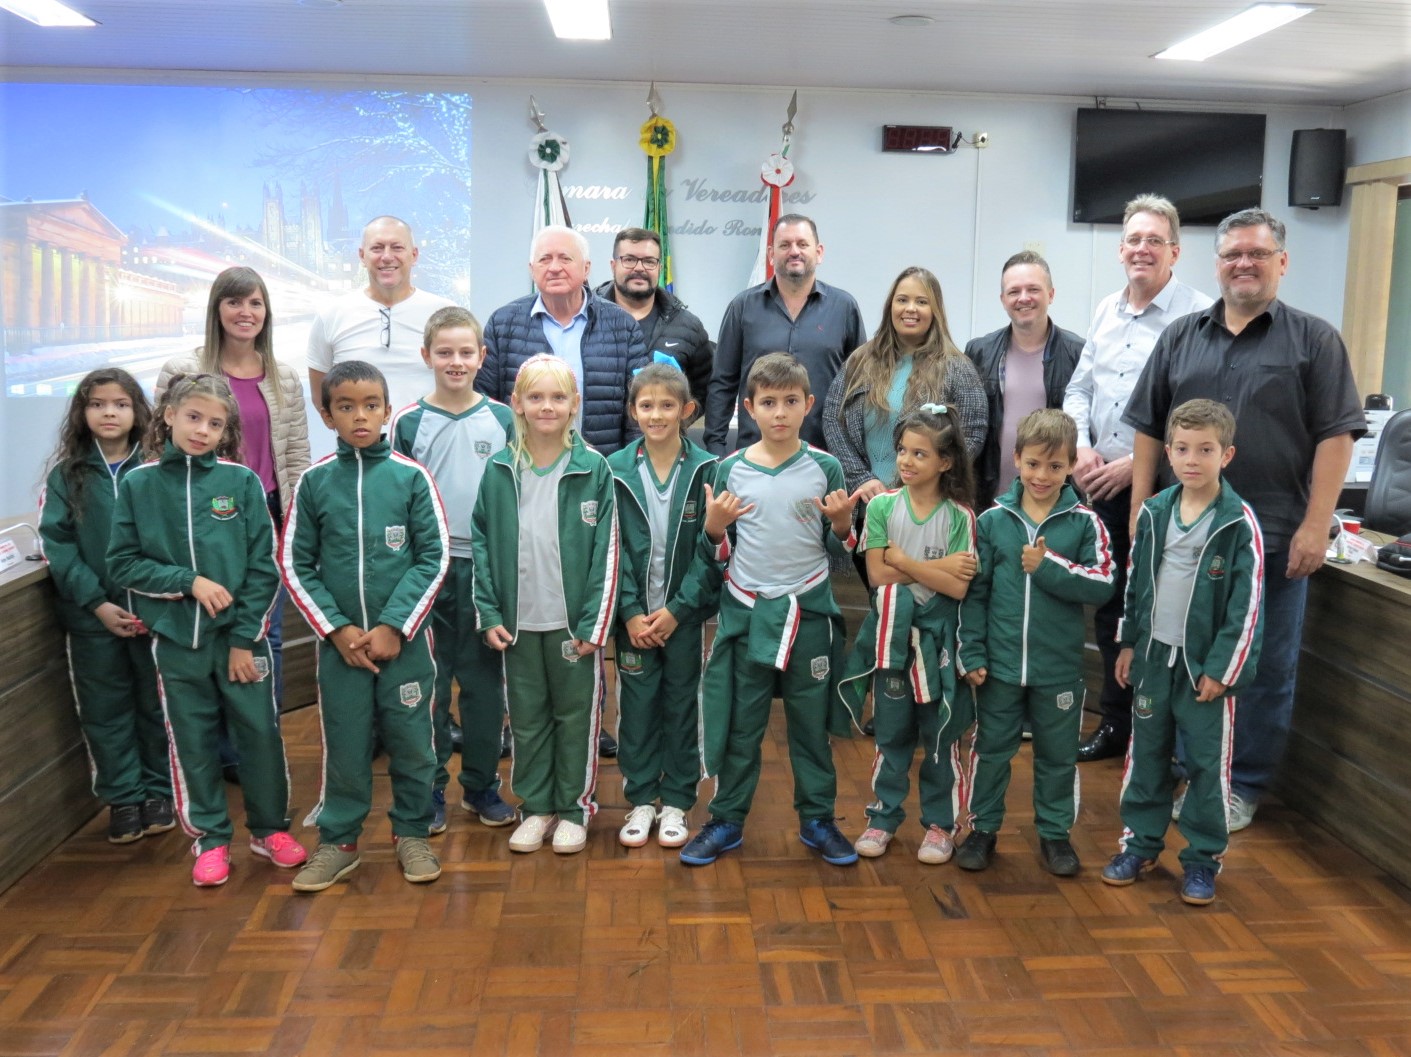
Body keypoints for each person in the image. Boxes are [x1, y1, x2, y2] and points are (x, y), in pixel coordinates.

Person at [1124, 208, 1364, 831]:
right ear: (1217, 263)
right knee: (1182, 655)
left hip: (1274, 540)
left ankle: (1241, 784)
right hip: (1184, 541)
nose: (1243, 264)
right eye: (1232, 254)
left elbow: (1337, 437)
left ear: (1281, 262)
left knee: (1261, 667)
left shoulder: (1314, 341)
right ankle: (1188, 769)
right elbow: (1150, 427)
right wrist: (1140, 511)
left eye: (1256, 254)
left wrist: (1319, 524)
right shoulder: (1181, 336)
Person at [107, 373, 305, 887]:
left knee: (260, 736)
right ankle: (211, 839)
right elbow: (123, 564)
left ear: (226, 433)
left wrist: (244, 639)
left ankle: (269, 831)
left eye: (215, 424)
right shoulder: (138, 485)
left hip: (241, 644)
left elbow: (266, 566)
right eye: (193, 417)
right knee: (192, 742)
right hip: (176, 644)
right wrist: (187, 582)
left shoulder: (240, 483)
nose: (202, 430)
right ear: (168, 415)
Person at [682, 352, 861, 867]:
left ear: (808, 404)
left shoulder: (824, 467)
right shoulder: (728, 469)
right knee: (742, 725)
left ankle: (818, 819)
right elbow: (713, 550)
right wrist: (714, 528)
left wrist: (845, 527)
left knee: (810, 726)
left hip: (807, 611)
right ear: (749, 408)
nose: (779, 413)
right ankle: (726, 819)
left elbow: (837, 551)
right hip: (748, 610)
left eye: (789, 402)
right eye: (767, 403)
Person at [282, 361, 450, 891]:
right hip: (342, 650)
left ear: (385, 410)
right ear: (327, 414)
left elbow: (434, 557)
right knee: (346, 743)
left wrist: (394, 627)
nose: (360, 416)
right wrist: (336, 630)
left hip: (404, 648)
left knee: (412, 741)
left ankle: (412, 831)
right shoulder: (314, 482)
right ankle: (339, 842)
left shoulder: (410, 476)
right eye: (346, 406)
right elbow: (294, 562)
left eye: (371, 405)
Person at [1063, 194, 1213, 764]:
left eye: (1154, 240)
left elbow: (1200, 413)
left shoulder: (1199, 315)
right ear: (1121, 249)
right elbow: (1080, 389)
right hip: (1101, 487)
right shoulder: (1106, 310)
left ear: (1174, 250)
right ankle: (1118, 724)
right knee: (1111, 609)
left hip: (1167, 491)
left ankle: (1165, 737)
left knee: (1164, 610)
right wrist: (1080, 444)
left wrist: (1140, 463)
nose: (1141, 249)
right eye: (1133, 240)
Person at [1102, 399, 1264, 905]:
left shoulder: (1238, 524)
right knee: (1145, 757)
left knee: (1205, 769)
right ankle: (1140, 844)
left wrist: (1223, 670)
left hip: (1204, 673)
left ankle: (1201, 859)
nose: (1193, 459)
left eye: (1206, 450)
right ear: (1168, 453)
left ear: (1227, 455)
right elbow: (1134, 583)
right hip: (1154, 660)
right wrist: (1129, 641)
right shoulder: (1153, 511)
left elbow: (1248, 605)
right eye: (1183, 449)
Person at [471, 354, 620, 856]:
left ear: (575, 404)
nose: (547, 406)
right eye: (536, 397)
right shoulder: (498, 470)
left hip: (572, 625)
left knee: (576, 716)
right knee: (528, 717)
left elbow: (607, 552)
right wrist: (489, 613)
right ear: (517, 403)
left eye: (558, 397)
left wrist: (595, 623)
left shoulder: (594, 468)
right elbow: (482, 544)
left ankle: (575, 808)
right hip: (519, 624)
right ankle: (537, 807)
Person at [955, 409, 1115, 875]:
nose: (1042, 476)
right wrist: (972, 651)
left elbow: (1103, 583)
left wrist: (1047, 567)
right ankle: (982, 829)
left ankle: (1055, 835)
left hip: (1058, 668)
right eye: (1033, 464)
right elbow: (974, 592)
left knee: (1058, 757)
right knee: (991, 751)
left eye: (1055, 466)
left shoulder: (1085, 523)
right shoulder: (992, 521)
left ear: (1070, 467)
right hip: (1000, 666)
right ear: (1017, 459)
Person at [389, 307, 517, 836]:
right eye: (445, 352)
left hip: (485, 572)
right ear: (426, 356)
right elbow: (396, 500)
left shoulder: (504, 419)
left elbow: (514, 496)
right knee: (432, 688)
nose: (456, 361)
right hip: (428, 573)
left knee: (486, 689)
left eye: (467, 352)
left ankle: (482, 786)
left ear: (482, 357)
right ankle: (432, 788)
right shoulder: (407, 422)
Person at [157, 266, 310, 706]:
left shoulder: (284, 377)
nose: (246, 312)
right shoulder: (183, 369)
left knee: (267, 629)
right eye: (235, 301)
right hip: (201, 516)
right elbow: (157, 449)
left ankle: (261, 739)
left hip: (265, 513)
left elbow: (296, 454)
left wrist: (296, 521)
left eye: (256, 303)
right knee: (210, 629)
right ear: (216, 308)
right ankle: (219, 748)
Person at [838, 404, 978, 864]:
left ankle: (940, 825)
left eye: (920, 453)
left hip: (940, 640)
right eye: (902, 450)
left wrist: (906, 561)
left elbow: (958, 586)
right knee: (892, 735)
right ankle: (882, 818)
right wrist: (927, 568)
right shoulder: (880, 506)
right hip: (892, 639)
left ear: (946, 462)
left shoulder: (960, 516)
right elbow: (877, 575)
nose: (906, 461)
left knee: (941, 736)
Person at [39, 368, 173, 844]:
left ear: (138, 412)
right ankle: (123, 797)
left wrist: (151, 600)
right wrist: (96, 603)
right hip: (94, 620)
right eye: (98, 404)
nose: (109, 412)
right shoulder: (66, 476)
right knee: (105, 709)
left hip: (153, 615)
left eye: (120, 403)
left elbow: (173, 544)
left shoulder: (158, 469)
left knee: (154, 705)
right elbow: (58, 545)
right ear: (83, 412)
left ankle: (160, 791)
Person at [608, 363, 720, 849]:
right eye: (647, 405)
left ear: (687, 411)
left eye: (667, 405)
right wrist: (631, 612)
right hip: (632, 619)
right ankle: (640, 800)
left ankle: (676, 799)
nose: (657, 414)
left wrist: (677, 610)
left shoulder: (708, 469)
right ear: (633, 411)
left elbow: (712, 550)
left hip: (684, 619)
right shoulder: (610, 470)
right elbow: (608, 549)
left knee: (680, 705)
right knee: (635, 709)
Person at [478, 225, 647, 455]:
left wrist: (628, 467)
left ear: (586, 268)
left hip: (601, 471)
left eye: (565, 259)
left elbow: (638, 408)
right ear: (531, 269)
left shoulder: (622, 326)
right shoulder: (503, 324)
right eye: (545, 259)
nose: (554, 268)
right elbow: (487, 406)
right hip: (524, 469)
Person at [824, 266, 987, 503]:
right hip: (863, 503)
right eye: (902, 300)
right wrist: (859, 477)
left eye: (921, 302)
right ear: (891, 305)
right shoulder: (860, 360)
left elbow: (972, 434)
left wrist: (923, 481)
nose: (910, 308)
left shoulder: (957, 368)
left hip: (925, 504)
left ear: (935, 311)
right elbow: (832, 418)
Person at [706, 214, 865, 454]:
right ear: (771, 254)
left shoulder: (844, 307)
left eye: (802, 244)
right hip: (754, 456)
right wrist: (716, 451)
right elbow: (723, 384)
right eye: (784, 245)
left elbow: (858, 386)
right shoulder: (743, 307)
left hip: (826, 456)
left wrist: (856, 456)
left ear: (819, 252)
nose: (794, 251)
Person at [965, 251, 1084, 512]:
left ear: (1051, 294)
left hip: (1055, 500)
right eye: (1014, 291)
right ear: (1002, 299)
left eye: (1033, 289)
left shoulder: (1079, 353)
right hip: (990, 498)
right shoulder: (979, 351)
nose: (1023, 298)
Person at [307, 216, 456, 417]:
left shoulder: (446, 314)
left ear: (414, 254)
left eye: (397, 247)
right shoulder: (331, 315)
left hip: (431, 446)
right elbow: (321, 398)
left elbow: (462, 386)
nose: (386, 257)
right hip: (359, 448)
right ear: (362, 256)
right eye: (377, 248)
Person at [594, 227, 714, 420]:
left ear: (659, 268)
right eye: (629, 259)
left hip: (660, 447)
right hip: (598, 446)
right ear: (613, 265)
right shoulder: (586, 319)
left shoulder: (689, 327)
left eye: (649, 261)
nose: (639, 268)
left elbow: (706, 391)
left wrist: (674, 425)